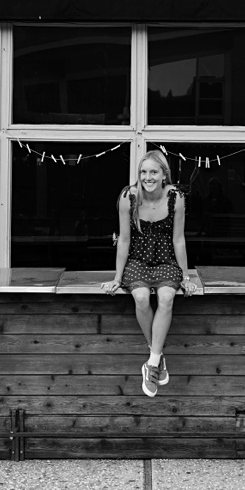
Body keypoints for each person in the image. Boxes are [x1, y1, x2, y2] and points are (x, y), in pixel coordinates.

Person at [101, 149, 197, 397]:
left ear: (164, 174)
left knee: (166, 297)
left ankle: (152, 363)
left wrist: (186, 277)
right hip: (137, 260)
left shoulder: (176, 198)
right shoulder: (128, 197)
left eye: (153, 172)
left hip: (166, 259)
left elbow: (178, 240)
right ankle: (158, 357)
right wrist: (116, 277)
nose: (147, 177)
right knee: (141, 297)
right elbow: (123, 239)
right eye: (143, 172)